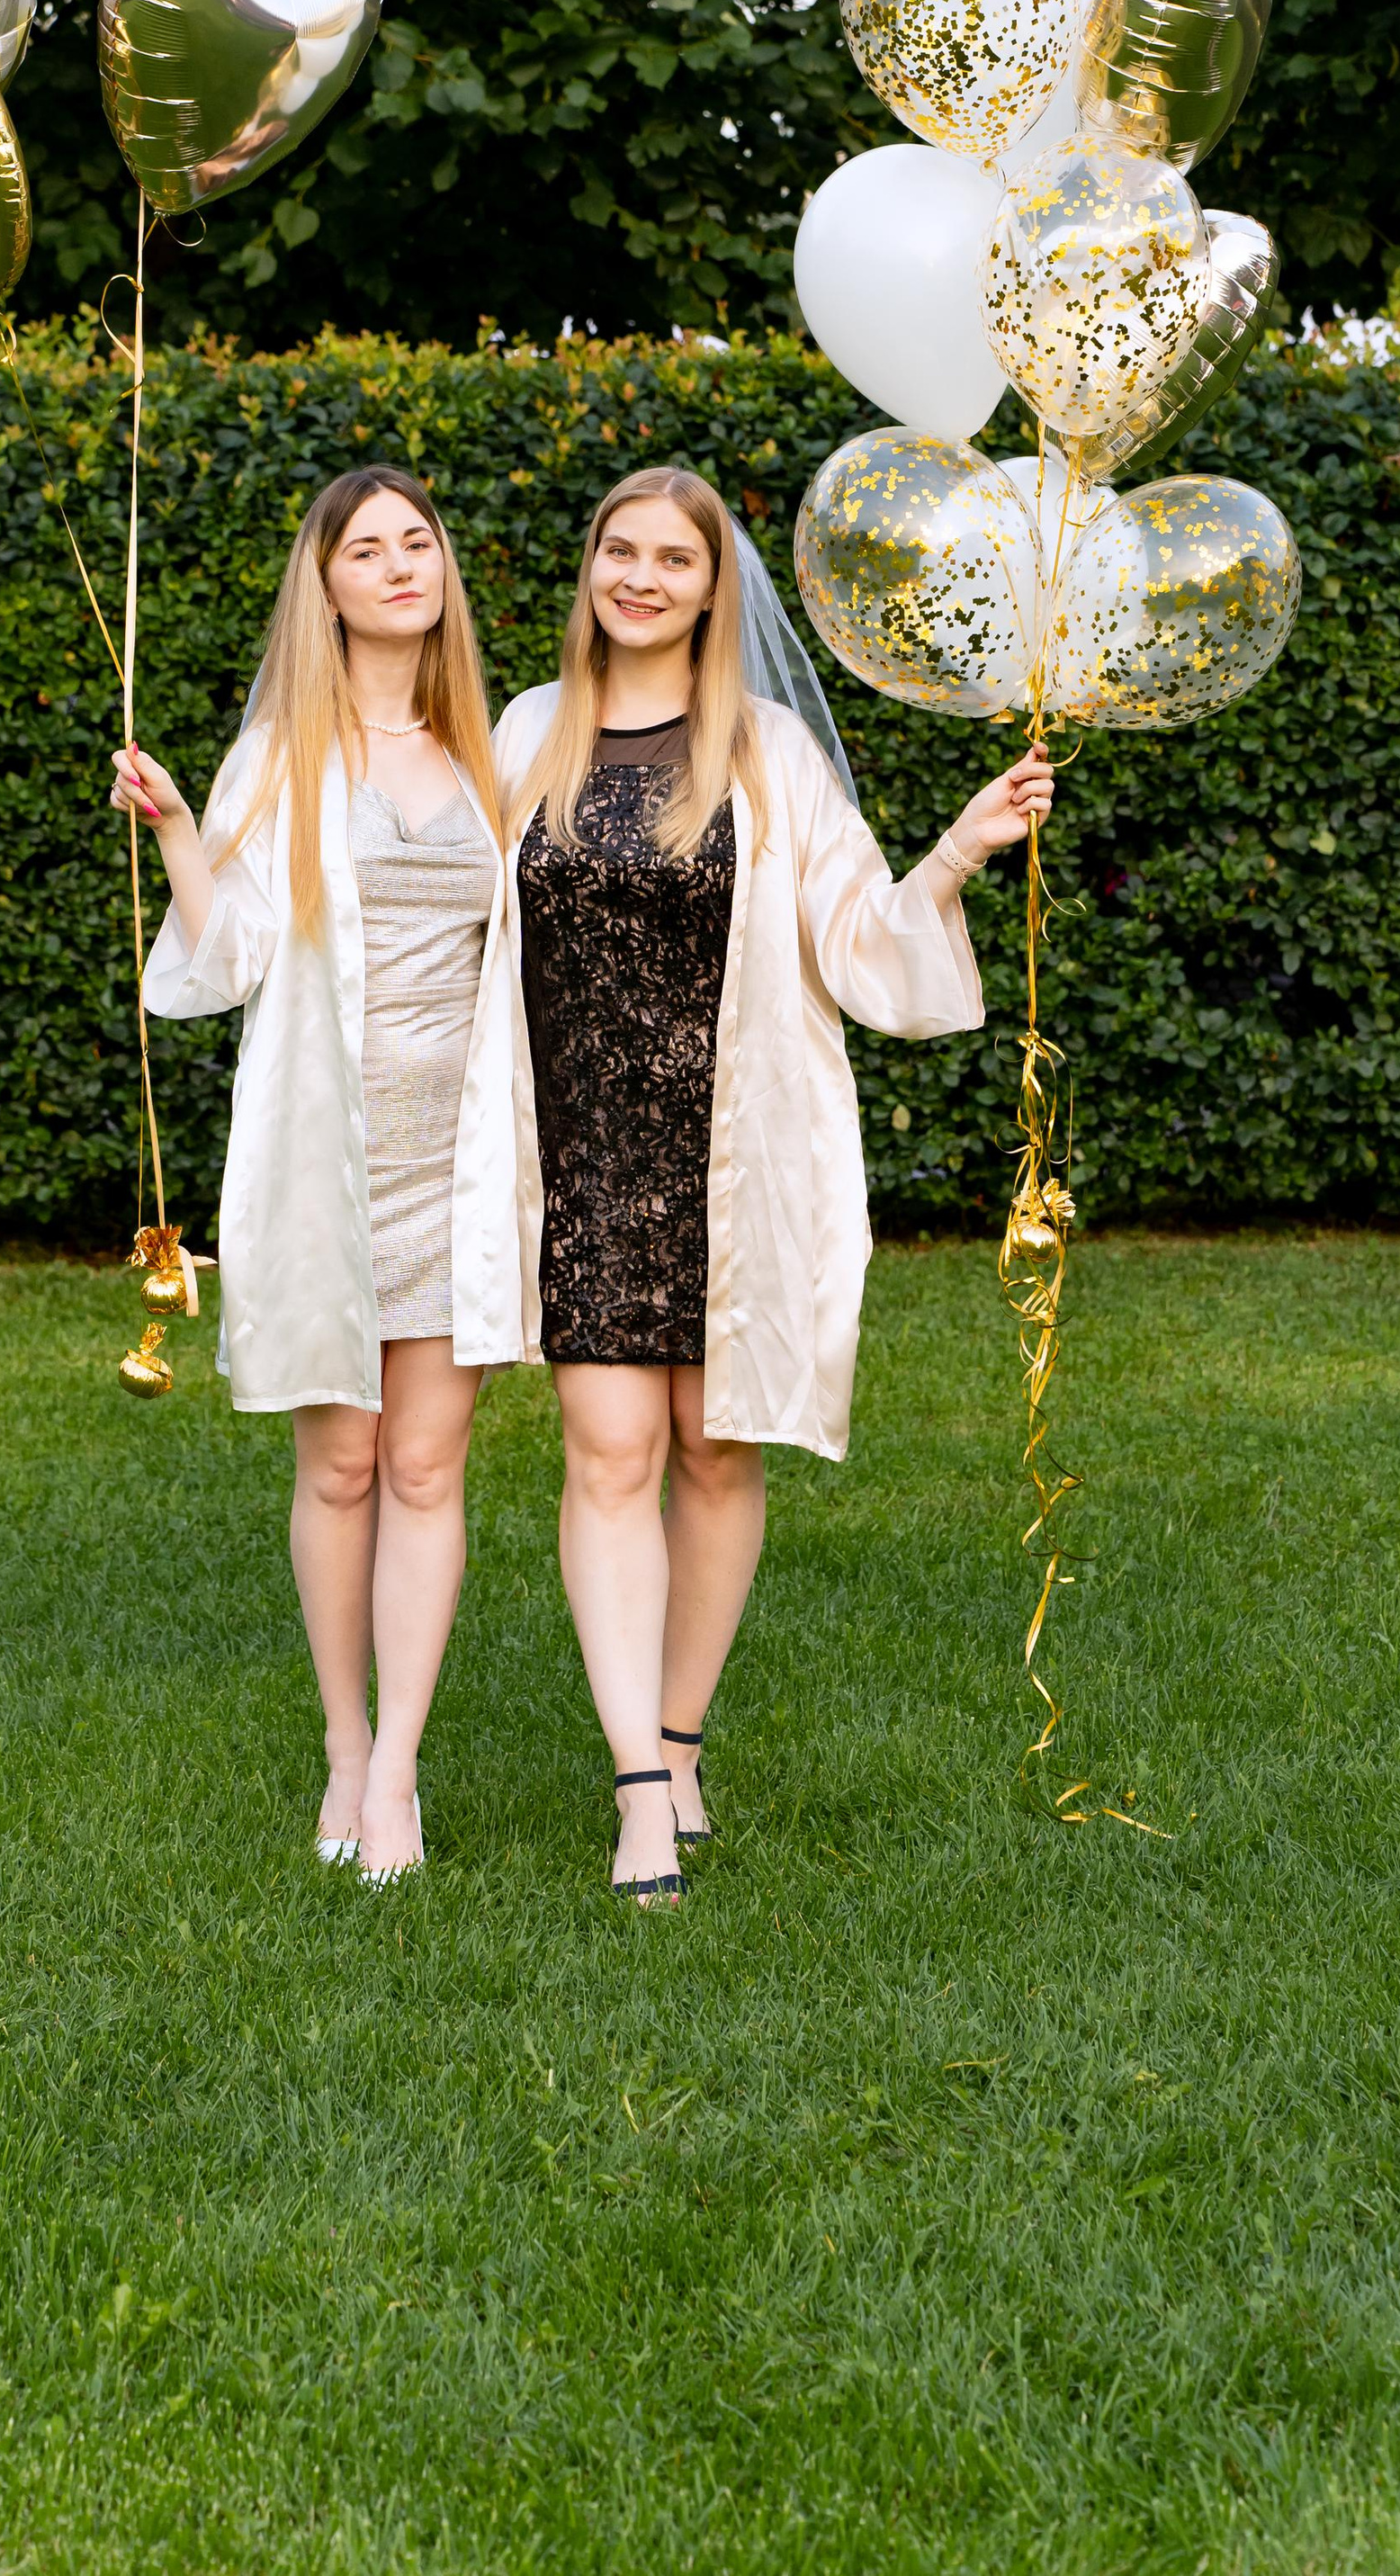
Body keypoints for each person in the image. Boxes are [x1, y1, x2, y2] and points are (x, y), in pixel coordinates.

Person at [497, 466, 1054, 1905]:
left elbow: (854, 936)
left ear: (711, 584)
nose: (639, 576)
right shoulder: (525, 739)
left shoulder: (770, 752)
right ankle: (635, 1790)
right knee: (607, 1456)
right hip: (584, 1155)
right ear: (592, 572)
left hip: (734, 1152)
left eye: (671, 557)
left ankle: (683, 1742)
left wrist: (957, 851)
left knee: (718, 1452)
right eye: (618, 549)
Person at [111, 467, 523, 1886]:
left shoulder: (499, 750)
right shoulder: (285, 750)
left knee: (427, 1460)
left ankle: (400, 1766)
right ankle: (343, 1743)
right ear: (326, 583)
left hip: (458, 1161)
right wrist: (174, 832)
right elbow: (220, 965)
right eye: (369, 547)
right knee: (341, 1462)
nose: (401, 564)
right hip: (329, 1159)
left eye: (420, 542)